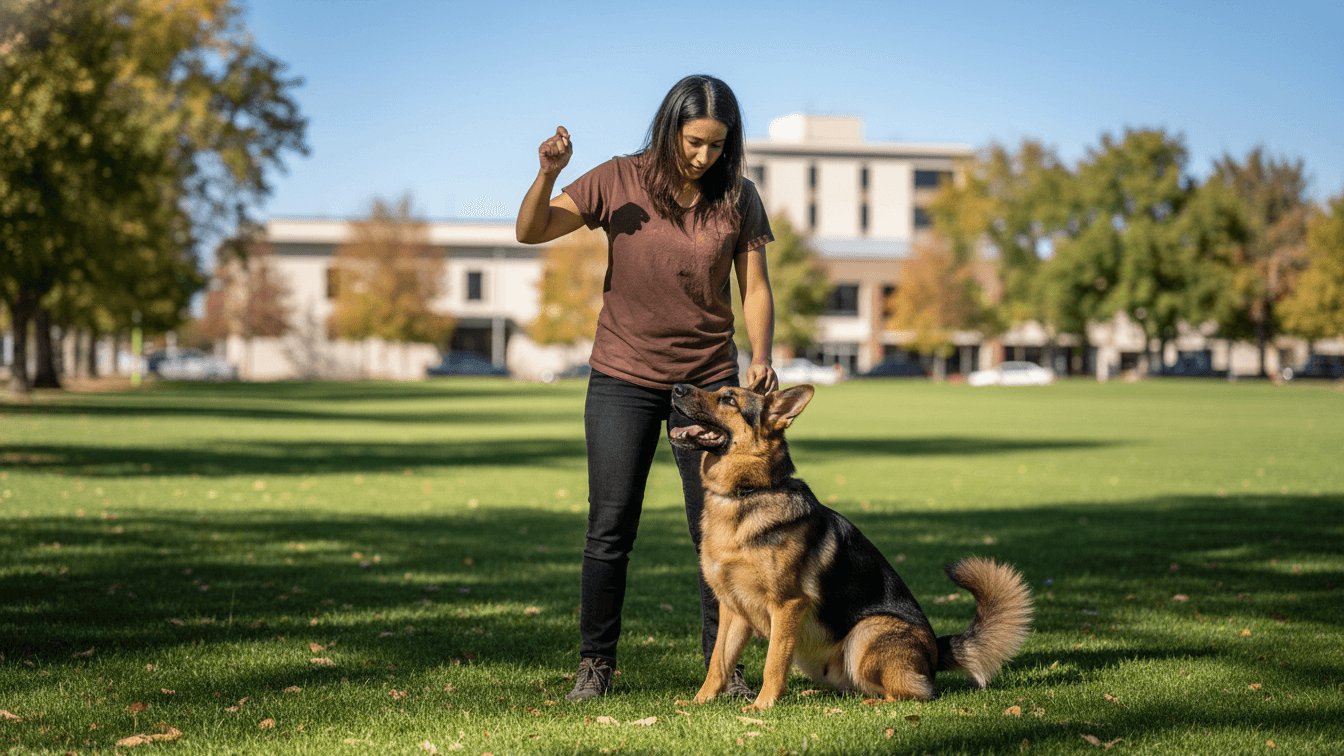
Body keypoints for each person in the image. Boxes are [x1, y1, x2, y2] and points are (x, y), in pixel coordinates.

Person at [516, 74, 778, 700]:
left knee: (720, 531)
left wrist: (763, 355)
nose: (704, 157)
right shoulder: (617, 179)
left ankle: (726, 670)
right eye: (694, 142)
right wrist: (548, 174)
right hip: (622, 375)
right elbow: (531, 230)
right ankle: (595, 666)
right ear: (670, 128)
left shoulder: (738, 197)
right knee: (610, 527)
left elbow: (756, 287)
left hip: (709, 379)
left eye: (718, 145)